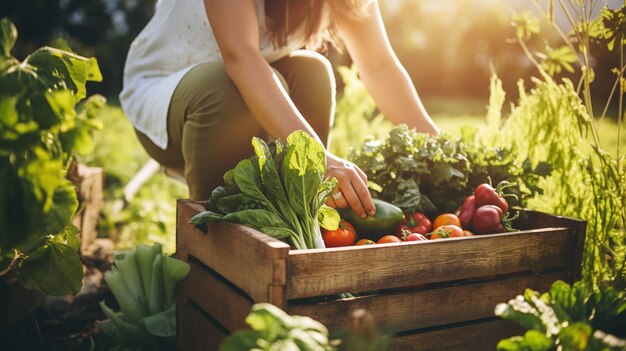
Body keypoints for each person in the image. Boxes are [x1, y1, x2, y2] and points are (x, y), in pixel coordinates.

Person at [119, 0, 440, 219]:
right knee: (225, 84)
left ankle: (295, 220)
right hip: (166, 96)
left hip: (251, 80)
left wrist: (437, 149)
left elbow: (379, 65)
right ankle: (211, 245)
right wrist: (319, 157)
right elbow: (240, 59)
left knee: (313, 71)